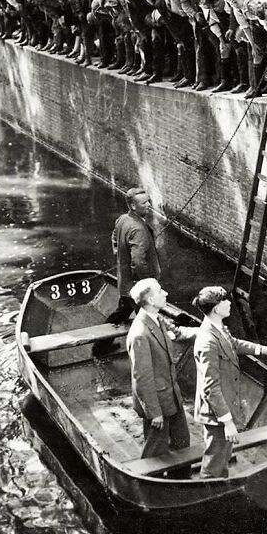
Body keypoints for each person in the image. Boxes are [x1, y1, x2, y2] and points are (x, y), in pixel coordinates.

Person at [192, 286, 267, 478]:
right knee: (214, 463)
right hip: (216, 413)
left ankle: (220, 484)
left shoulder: (217, 327)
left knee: (222, 456)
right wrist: (228, 423)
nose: (229, 303)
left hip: (224, 406)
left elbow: (233, 344)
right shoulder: (208, 342)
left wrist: (264, 350)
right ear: (216, 309)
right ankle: (209, 489)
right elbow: (211, 388)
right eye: (225, 300)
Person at [127, 278, 197, 459]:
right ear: (151, 300)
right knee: (155, 451)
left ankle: (181, 475)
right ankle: (147, 477)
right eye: (160, 291)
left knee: (182, 444)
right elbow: (142, 378)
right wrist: (154, 412)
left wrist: (207, 331)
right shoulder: (140, 334)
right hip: (157, 403)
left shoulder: (157, 319)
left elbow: (179, 333)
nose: (165, 293)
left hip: (172, 395)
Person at [98, 187, 161, 356]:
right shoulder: (138, 229)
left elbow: (114, 236)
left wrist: (118, 252)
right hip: (137, 288)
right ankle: (152, 354)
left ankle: (100, 348)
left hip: (125, 283)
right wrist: (149, 286)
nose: (149, 205)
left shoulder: (123, 219)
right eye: (144, 203)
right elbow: (138, 262)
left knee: (122, 313)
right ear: (133, 206)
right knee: (149, 321)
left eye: (148, 201)